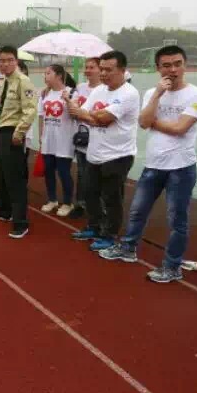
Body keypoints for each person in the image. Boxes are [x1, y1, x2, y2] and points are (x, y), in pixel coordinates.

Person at [99, 46, 197, 282]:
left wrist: (153, 122)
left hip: (181, 167)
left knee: (177, 220)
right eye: (166, 65)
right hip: (154, 164)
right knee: (137, 211)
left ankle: (172, 266)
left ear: (185, 65)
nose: (173, 70)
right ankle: (128, 248)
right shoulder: (152, 93)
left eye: (177, 64)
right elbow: (142, 122)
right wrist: (158, 95)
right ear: (158, 68)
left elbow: (180, 128)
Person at [66, 51, 139, 251]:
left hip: (118, 155)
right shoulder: (99, 90)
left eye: (109, 70)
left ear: (122, 70)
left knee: (112, 198)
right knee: (90, 193)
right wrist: (91, 115)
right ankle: (94, 226)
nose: (104, 74)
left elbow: (104, 119)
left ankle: (110, 235)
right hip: (94, 152)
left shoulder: (129, 93)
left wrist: (89, 115)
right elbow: (81, 114)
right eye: (102, 69)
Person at [0, 46, 38, 238]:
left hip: (13, 132)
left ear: (16, 61)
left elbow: (30, 110)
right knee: (2, 176)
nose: (5, 64)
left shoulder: (23, 81)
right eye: (1, 61)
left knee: (15, 179)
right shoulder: (5, 80)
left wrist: (19, 132)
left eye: (9, 60)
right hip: (1, 131)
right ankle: (4, 209)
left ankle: (21, 221)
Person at [37, 64, 78, 216]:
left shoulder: (72, 92)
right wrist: (41, 136)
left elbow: (76, 114)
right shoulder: (45, 94)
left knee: (63, 171)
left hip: (64, 140)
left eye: (48, 73)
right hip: (49, 140)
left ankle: (67, 203)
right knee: (48, 171)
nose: (45, 76)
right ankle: (52, 199)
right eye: (45, 73)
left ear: (59, 75)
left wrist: (67, 100)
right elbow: (41, 116)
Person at [68, 57, 102, 218]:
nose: (87, 70)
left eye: (92, 67)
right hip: (81, 136)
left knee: (97, 174)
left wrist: (81, 113)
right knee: (82, 173)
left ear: (100, 69)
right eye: (86, 67)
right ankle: (81, 204)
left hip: (98, 137)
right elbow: (73, 109)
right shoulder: (80, 88)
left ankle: (98, 206)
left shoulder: (104, 90)